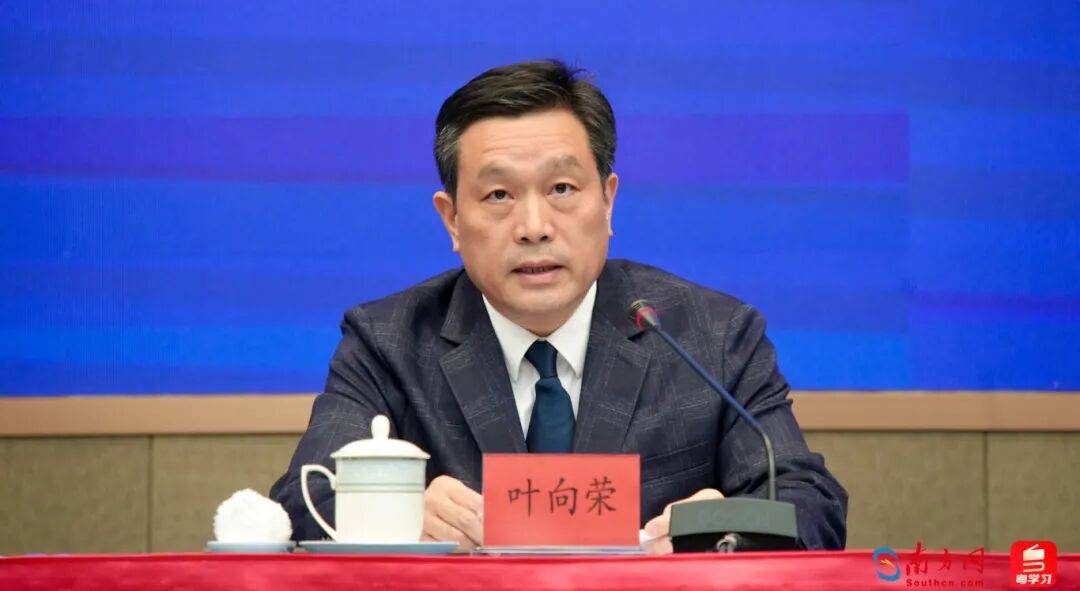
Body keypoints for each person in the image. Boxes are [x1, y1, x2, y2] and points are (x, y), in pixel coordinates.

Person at [270, 59, 848, 553]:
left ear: (608, 201)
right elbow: (301, 498)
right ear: (452, 219)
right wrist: (397, 516)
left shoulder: (713, 336)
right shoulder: (388, 342)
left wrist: (720, 526)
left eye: (562, 189)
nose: (534, 226)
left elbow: (809, 503)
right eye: (499, 194)